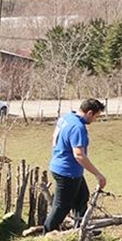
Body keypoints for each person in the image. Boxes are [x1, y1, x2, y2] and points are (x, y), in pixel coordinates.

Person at [44, 98, 107, 232]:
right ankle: (47, 234)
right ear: (90, 113)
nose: (95, 120)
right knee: (61, 207)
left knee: (82, 197)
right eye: (96, 116)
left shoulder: (67, 117)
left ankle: (81, 229)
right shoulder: (78, 127)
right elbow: (79, 154)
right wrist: (98, 174)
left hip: (65, 167)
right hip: (67, 172)